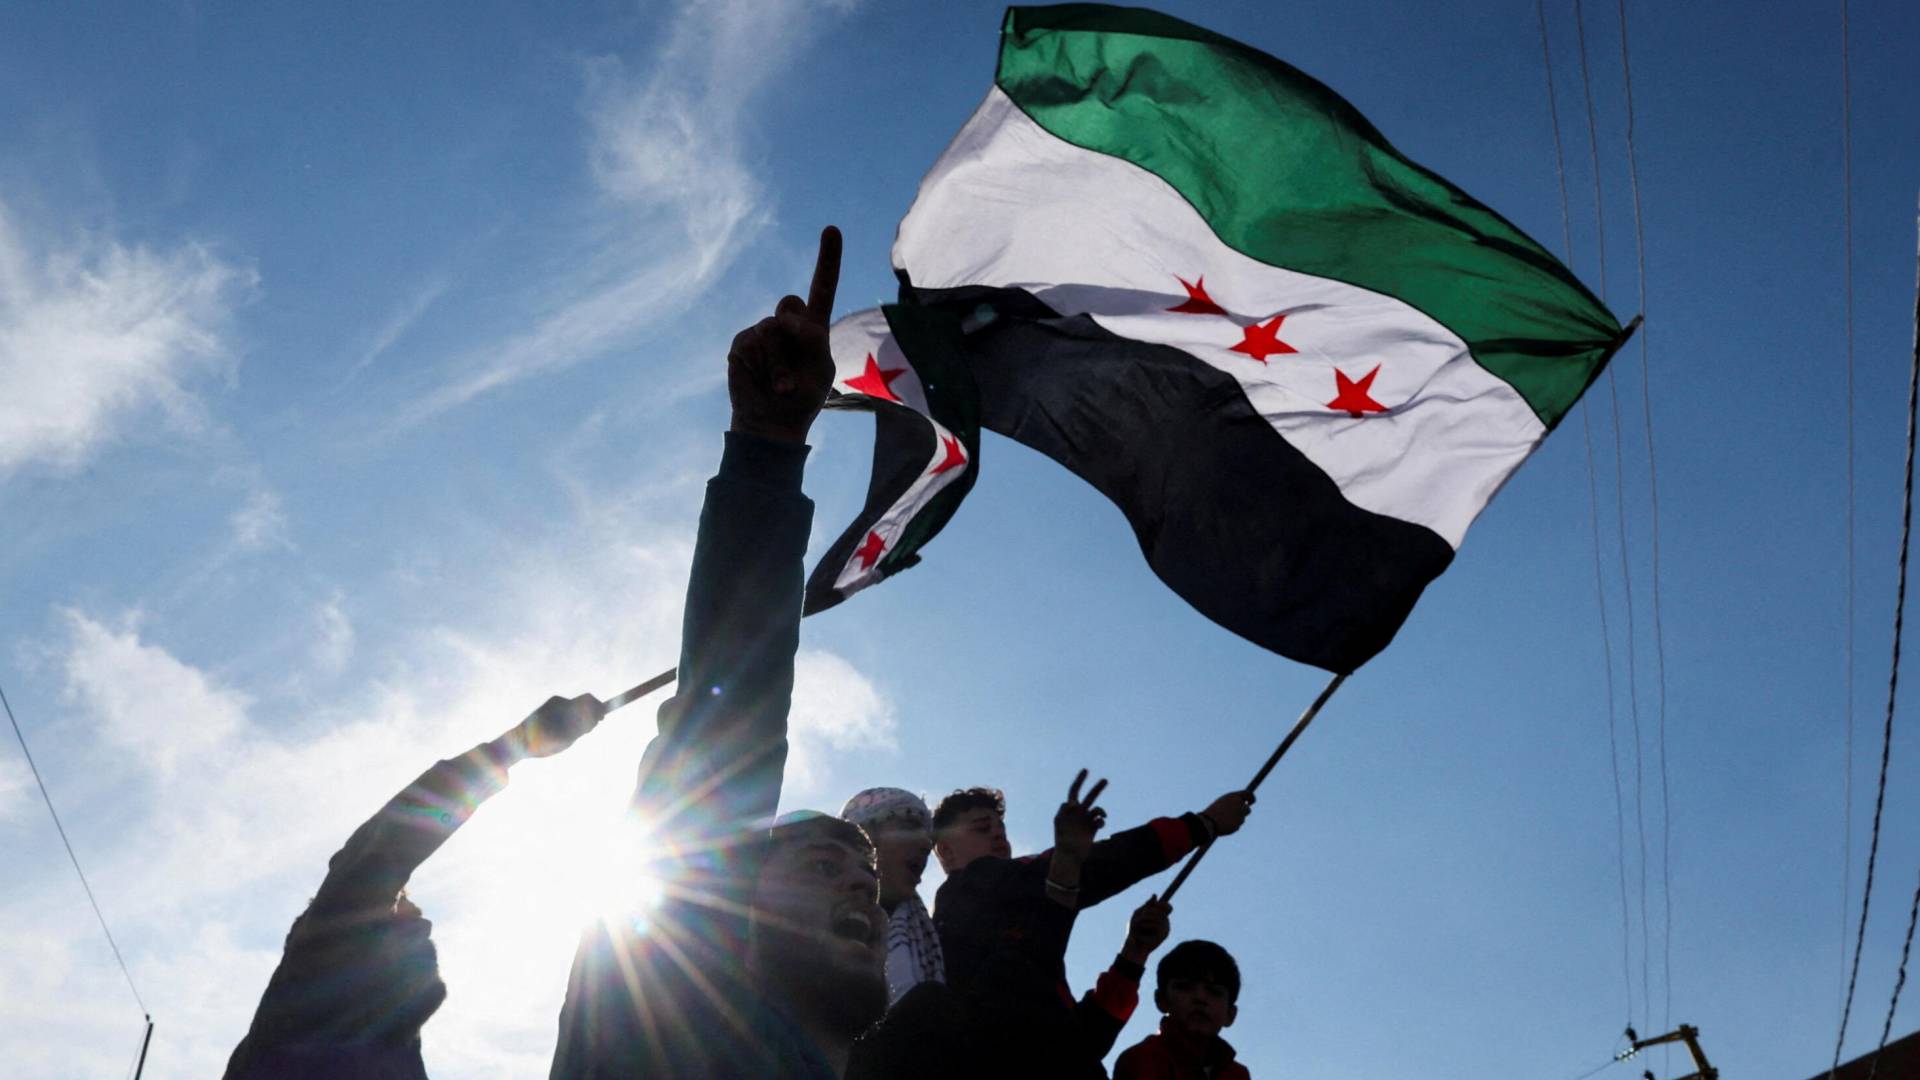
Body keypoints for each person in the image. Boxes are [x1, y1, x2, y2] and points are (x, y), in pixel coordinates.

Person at [550, 226, 893, 1079]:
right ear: (729, 898)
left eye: (866, 877)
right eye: (825, 865)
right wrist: (766, 456)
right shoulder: (662, 1015)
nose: (865, 887)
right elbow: (729, 716)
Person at [224, 693, 608, 1080]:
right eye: (404, 917)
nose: (425, 926)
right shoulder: (315, 998)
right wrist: (517, 744)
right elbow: (379, 850)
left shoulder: (391, 1049)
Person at [928, 774, 1254, 1076]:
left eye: (1002, 827)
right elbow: (1096, 865)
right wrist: (1200, 825)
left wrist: (1134, 953)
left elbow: (1081, 1040)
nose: (999, 834)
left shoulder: (1004, 954)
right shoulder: (978, 883)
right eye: (982, 828)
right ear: (946, 851)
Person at [841, 787, 943, 1004]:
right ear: (865, 837)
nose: (927, 844)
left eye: (929, 836)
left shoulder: (942, 942)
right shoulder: (810, 931)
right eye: (910, 827)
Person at [1112, 940, 1250, 1080]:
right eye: (1185, 987)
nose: (1200, 997)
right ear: (1162, 1000)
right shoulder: (1141, 1060)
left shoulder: (1238, 1075)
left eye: (1214, 992)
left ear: (1230, 1014)